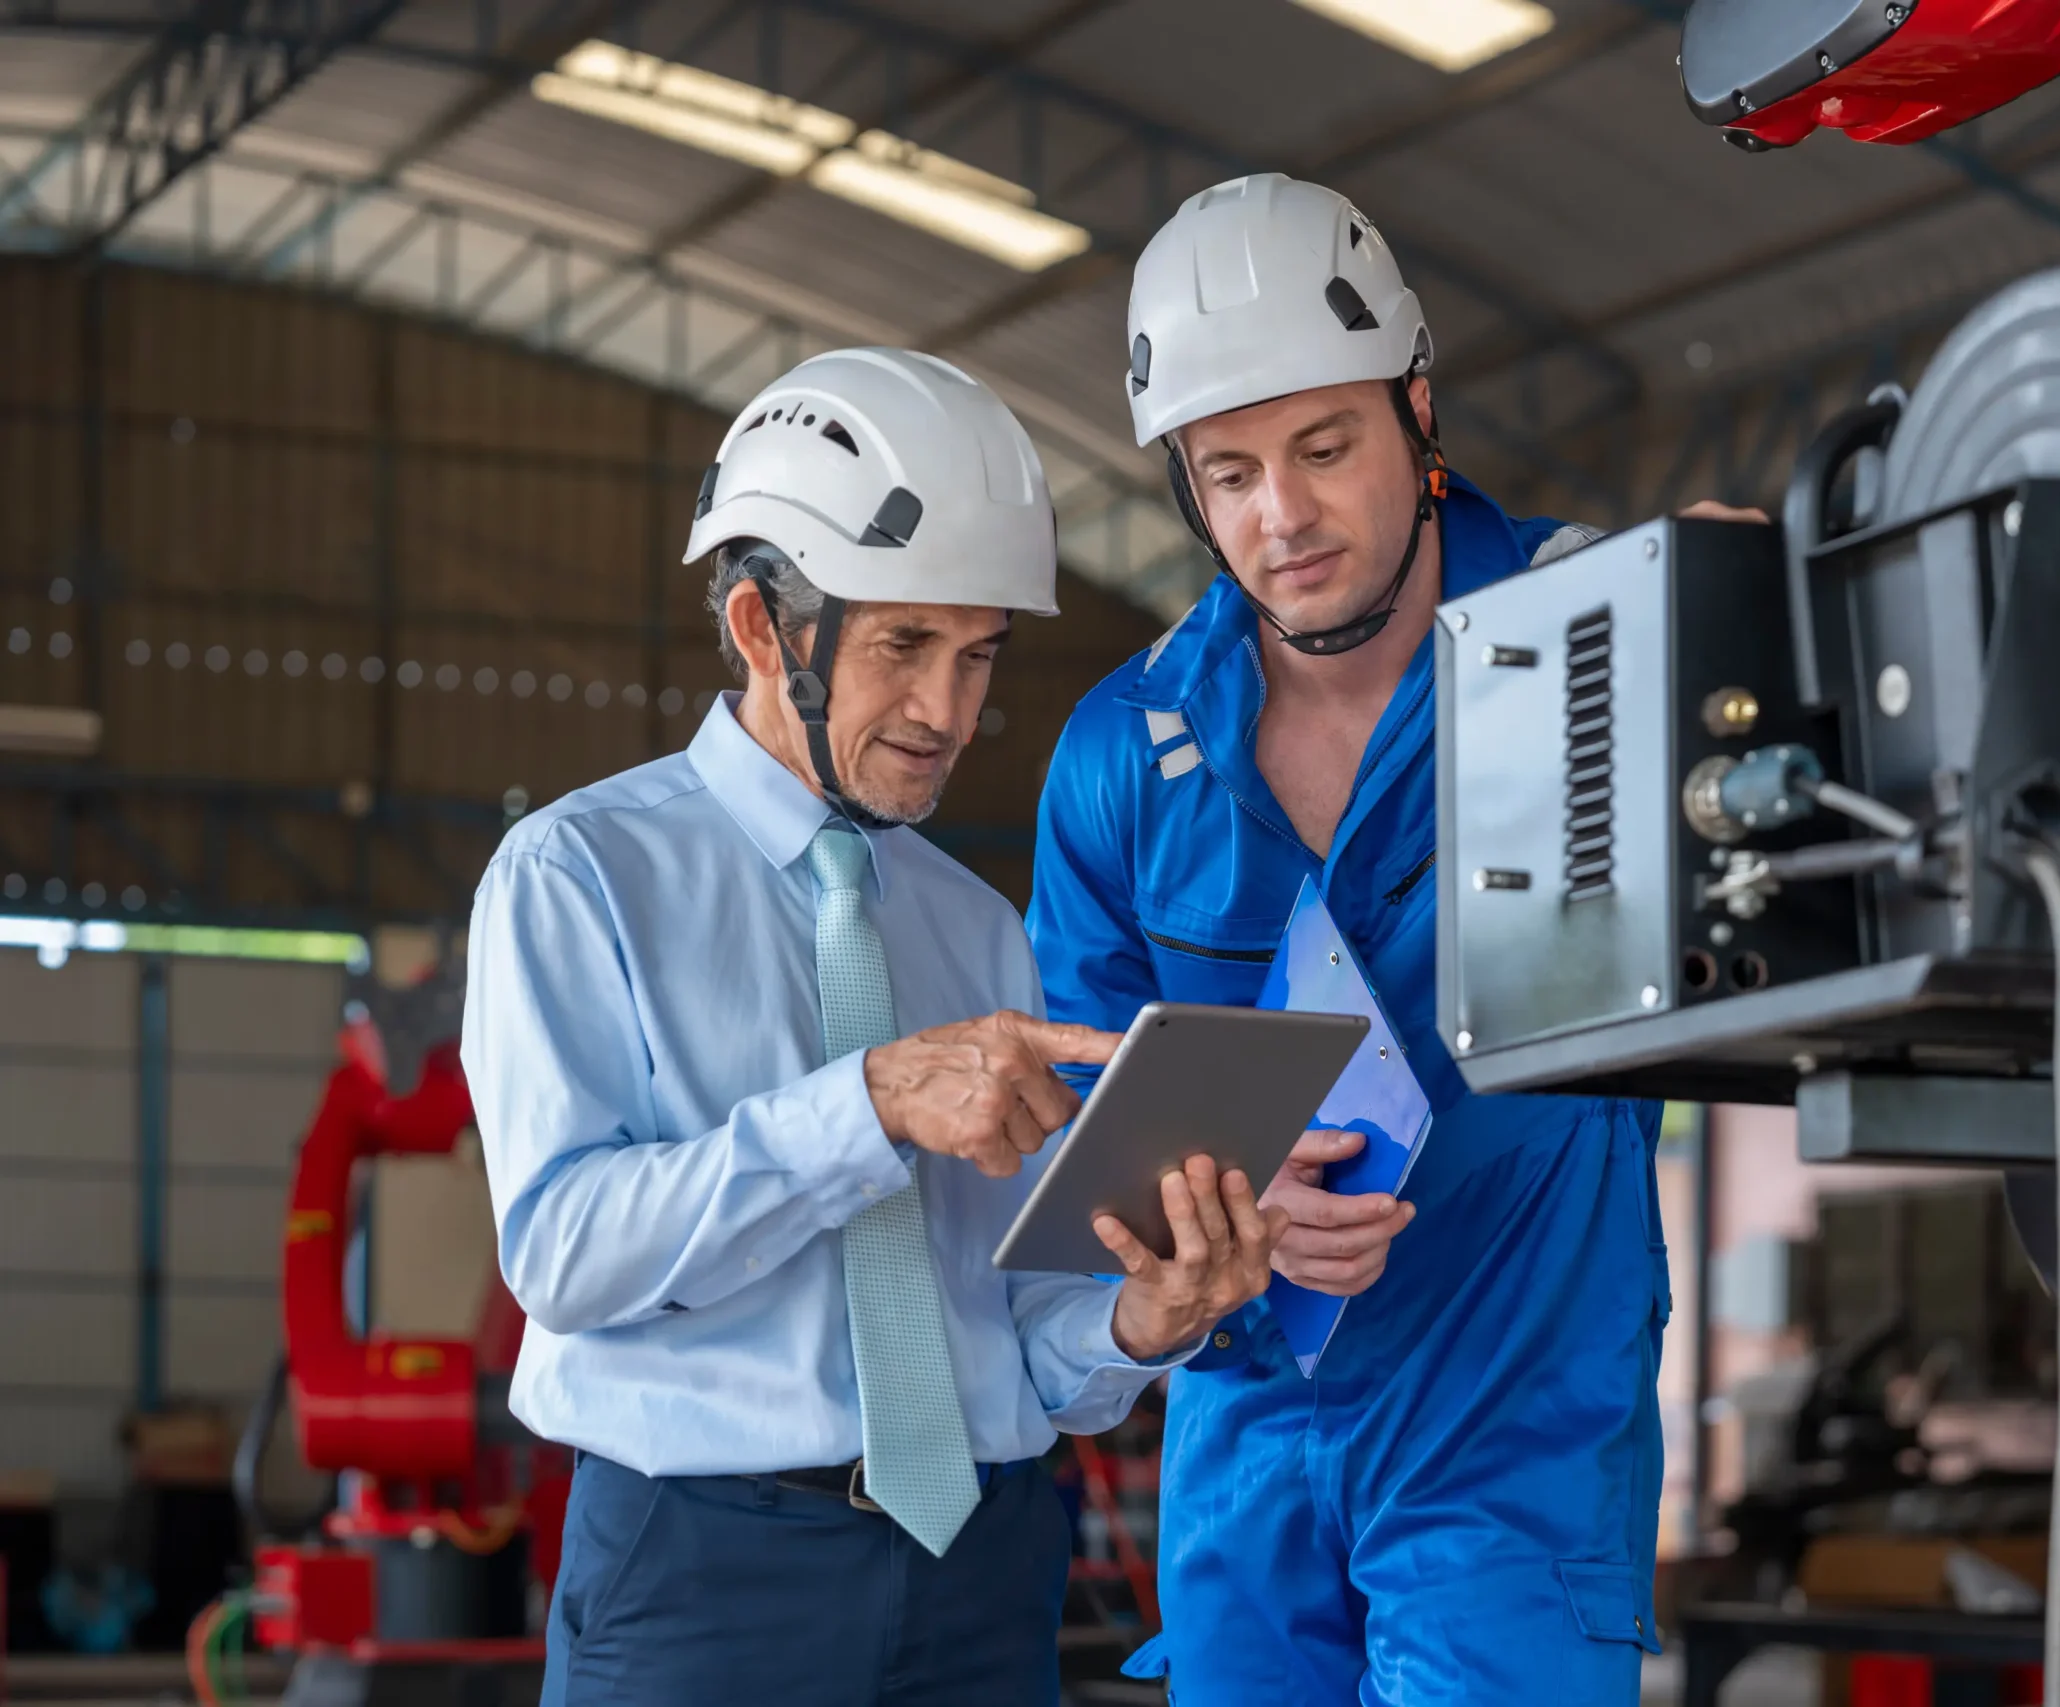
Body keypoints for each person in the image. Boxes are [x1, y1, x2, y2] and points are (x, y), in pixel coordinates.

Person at [1028, 173, 1763, 1704]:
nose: (1279, 516)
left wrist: (1740, 623)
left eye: (1323, 446)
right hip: (1243, 1458)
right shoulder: (1124, 755)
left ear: (1417, 408)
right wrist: (1226, 1214)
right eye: (1226, 473)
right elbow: (1084, 1127)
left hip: (1515, 1435)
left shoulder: (1603, 636)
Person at [461, 348, 1283, 1707]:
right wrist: (868, 1104)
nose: (949, 713)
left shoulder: (972, 926)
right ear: (759, 626)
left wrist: (1142, 1319)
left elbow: (1006, 1325)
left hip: (982, 1567)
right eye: (905, 646)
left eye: (977, 657)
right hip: (704, 1583)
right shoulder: (579, 876)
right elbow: (563, 1252)